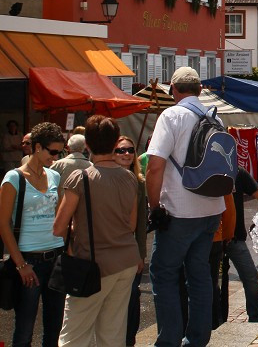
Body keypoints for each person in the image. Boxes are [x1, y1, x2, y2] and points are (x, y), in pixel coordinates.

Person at [146, 67, 225, 347]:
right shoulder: (215, 118)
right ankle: (198, 338)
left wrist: (154, 207)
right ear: (200, 89)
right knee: (199, 274)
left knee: (165, 274)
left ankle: (168, 340)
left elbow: (155, 166)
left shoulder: (172, 115)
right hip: (212, 208)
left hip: (180, 209)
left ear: (174, 89)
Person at [53, 116, 139, 346]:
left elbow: (59, 227)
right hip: (126, 260)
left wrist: (75, 229)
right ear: (114, 144)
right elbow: (131, 225)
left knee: (74, 335)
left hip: (91, 263)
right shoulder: (130, 178)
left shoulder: (80, 178)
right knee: (112, 333)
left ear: (87, 145)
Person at [0, 122, 66, 347]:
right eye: (53, 151)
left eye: (60, 152)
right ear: (37, 147)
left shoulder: (54, 176)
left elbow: (59, 218)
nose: (56, 157)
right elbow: (2, 223)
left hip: (56, 256)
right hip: (29, 260)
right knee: (24, 328)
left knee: (55, 327)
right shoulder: (14, 178)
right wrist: (20, 264)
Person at [226, 167, 258, 322]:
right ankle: (216, 321)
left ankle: (256, 318)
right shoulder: (208, 169)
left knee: (250, 277)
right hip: (212, 238)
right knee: (211, 283)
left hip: (235, 238)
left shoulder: (237, 172)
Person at [114, 135, 149, 347]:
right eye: (121, 150)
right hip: (110, 248)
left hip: (131, 249)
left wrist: (141, 254)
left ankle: (129, 340)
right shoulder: (104, 177)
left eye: (130, 150)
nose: (126, 154)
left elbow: (142, 224)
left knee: (131, 299)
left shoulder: (139, 181)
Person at [209, 193, 236, 330]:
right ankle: (213, 321)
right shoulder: (220, 173)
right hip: (214, 237)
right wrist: (226, 235)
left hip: (189, 237)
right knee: (211, 283)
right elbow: (229, 212)